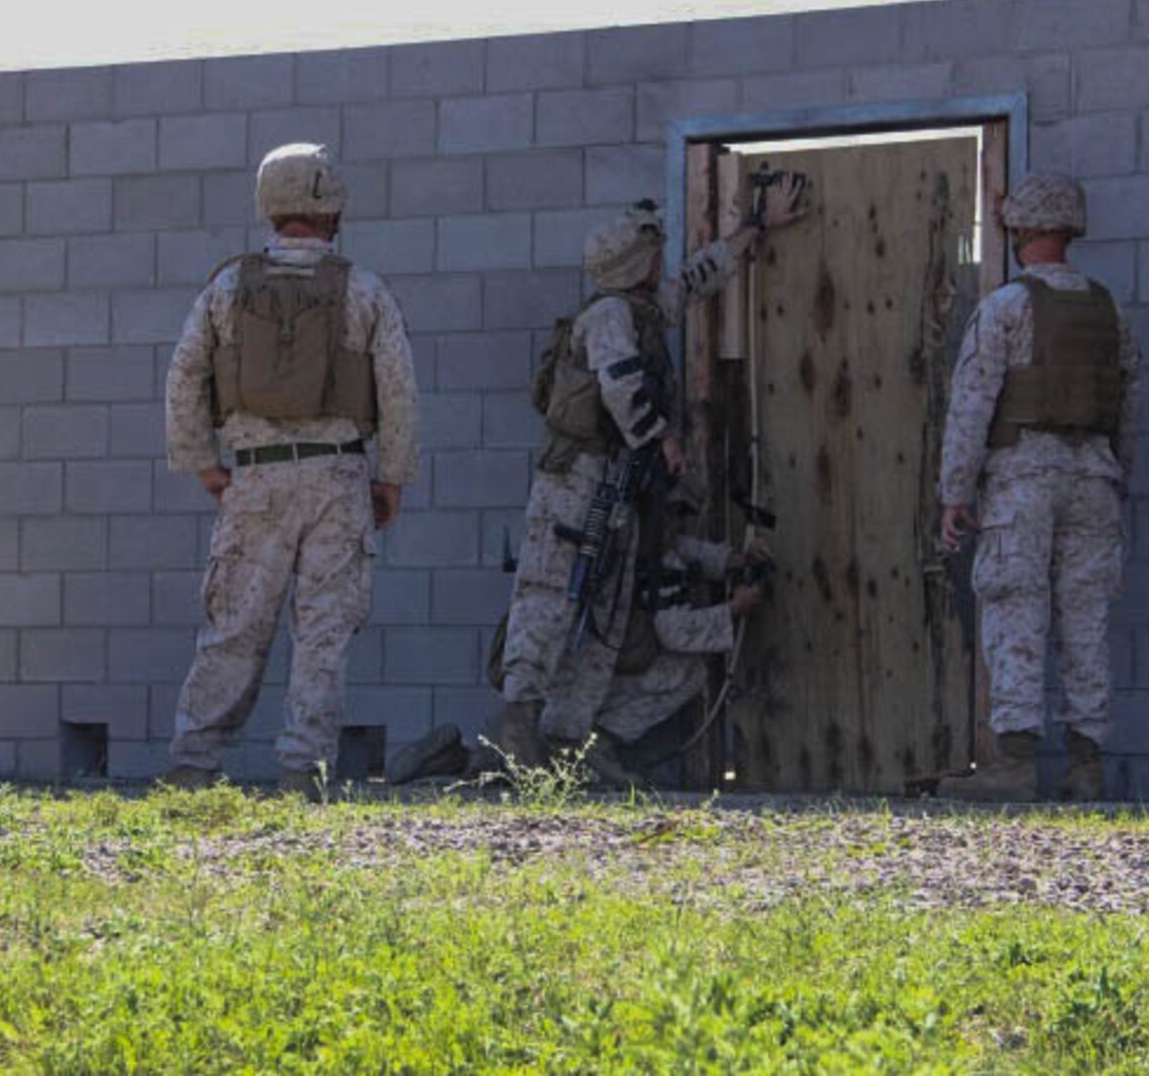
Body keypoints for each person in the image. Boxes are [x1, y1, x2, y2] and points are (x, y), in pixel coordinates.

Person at [497, 179, 807, 767]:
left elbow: (695, 281)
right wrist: (660, 439)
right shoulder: (611, 315)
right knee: (549, 598)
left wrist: (757, 228)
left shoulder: (637, 308)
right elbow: (622, 386)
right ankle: (519, 725)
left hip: (617, 485)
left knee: (608, 609)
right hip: (577, 482)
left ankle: (568, 744)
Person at [162, 142, 418, 800]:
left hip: (255, 478)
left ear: (268, 205)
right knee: (323, 634)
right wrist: (390, 476)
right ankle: (304, 771)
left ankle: (194, 764)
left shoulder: (226, 286)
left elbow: (185, 374)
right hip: (337, 479)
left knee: (234, 627)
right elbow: (398, 389)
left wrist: (203, 465)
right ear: (331, 206)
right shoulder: (363, 289)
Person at [937, 171, 1140, 802]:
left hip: (1022, 478)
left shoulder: (1005, 308)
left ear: (1021, 228)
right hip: (1095, 480)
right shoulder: (1110, 311)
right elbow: (1127, 404)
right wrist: (1115, 475)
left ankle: (1015, 763)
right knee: (1085, 618)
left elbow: (971, 405)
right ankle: (1087, 766)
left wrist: (955, 493)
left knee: (1013, 608)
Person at [391, 486, 770, 787]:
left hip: (553, 684)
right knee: (687, 674)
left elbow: (686, 551)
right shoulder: (638, 558)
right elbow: (672, 631)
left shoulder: (620, 542)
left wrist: (733, 559)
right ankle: (594, 744)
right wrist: (732, 611)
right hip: (581, 695)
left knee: (505, 757)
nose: (677, 524)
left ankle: (451, 757)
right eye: (674, 515)